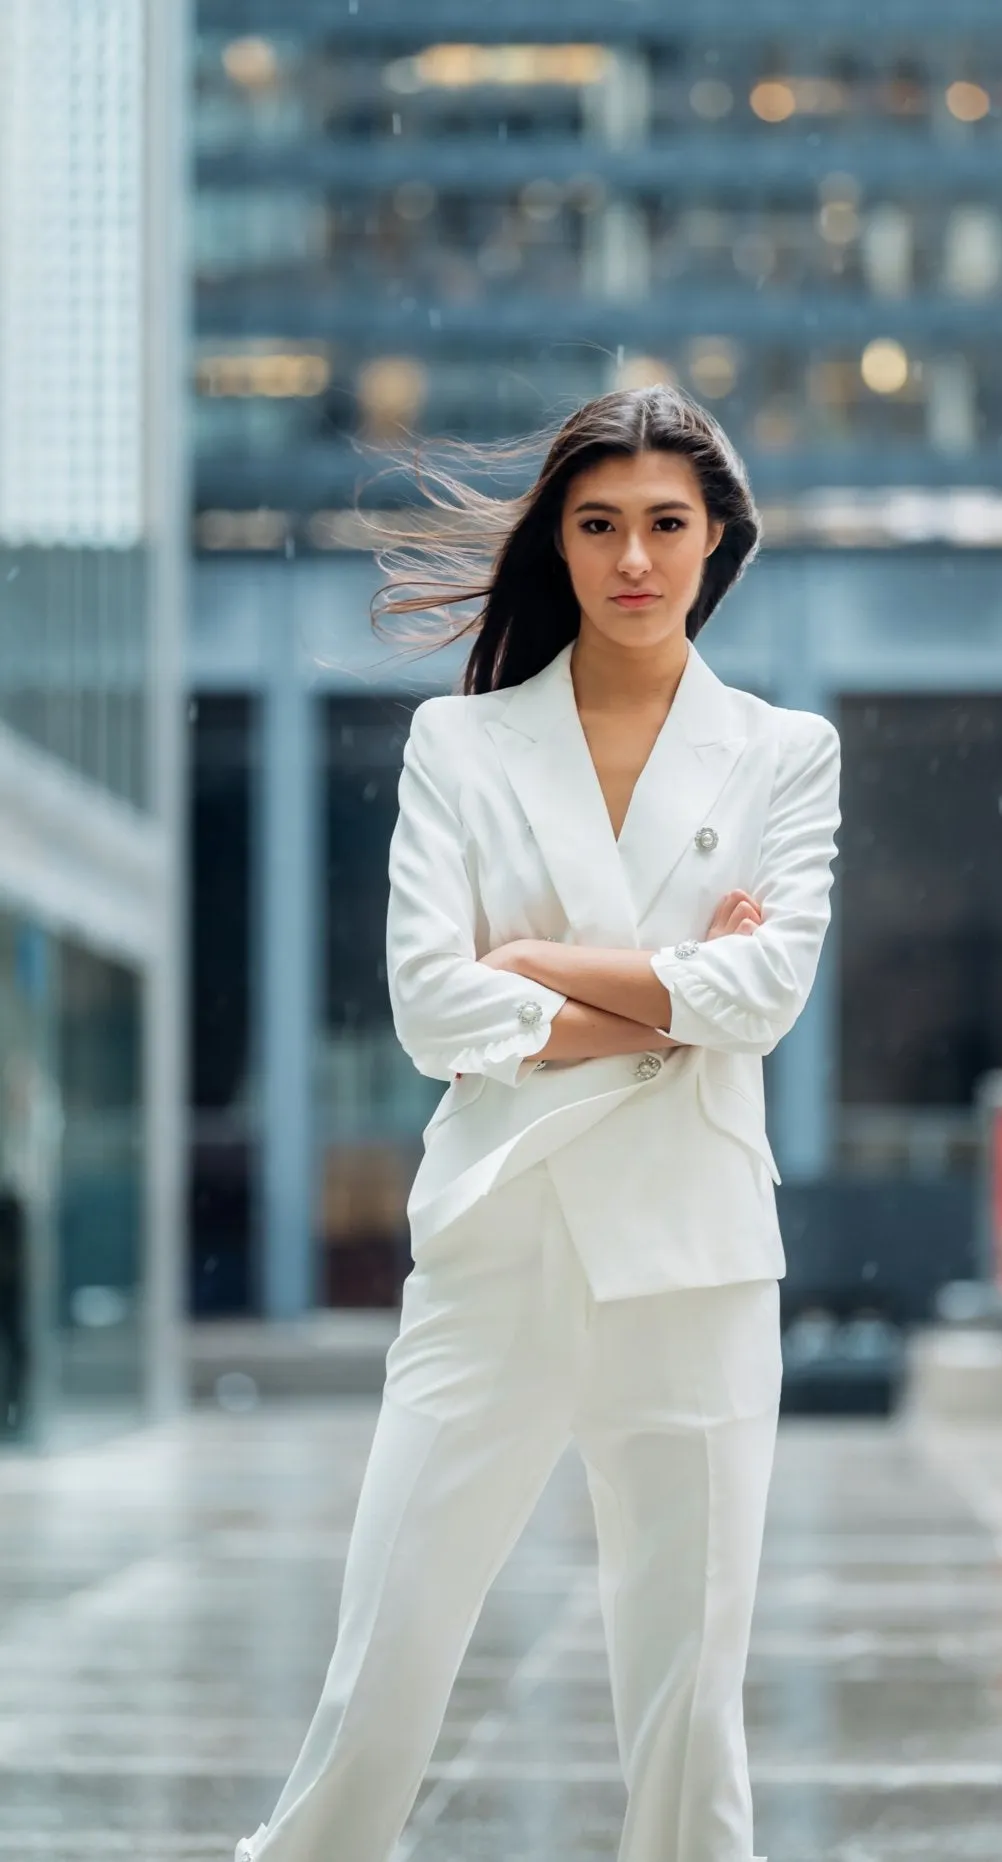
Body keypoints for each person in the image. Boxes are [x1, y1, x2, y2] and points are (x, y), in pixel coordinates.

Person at [234, 385, 842, 1862]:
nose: (632, 555)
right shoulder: (462, 743)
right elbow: (430, 1010)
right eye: (598, 524)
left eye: (664, 524)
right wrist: (662, 997)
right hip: (498, 1238)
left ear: (717, 542)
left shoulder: (783, 750)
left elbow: (762, 994)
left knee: (689, 1710)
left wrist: (540, 968)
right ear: (559, 545)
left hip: (692, 1259)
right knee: (379, 1672)